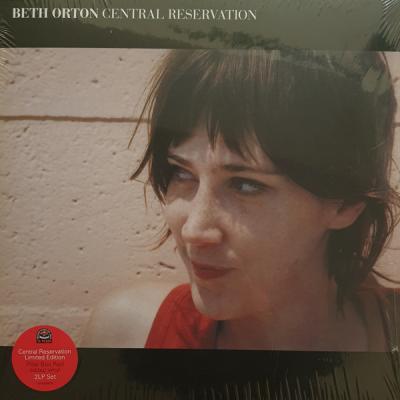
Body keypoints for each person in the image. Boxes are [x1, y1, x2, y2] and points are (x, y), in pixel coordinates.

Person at [83, 49, 400, 351]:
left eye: (246, 185)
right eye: (181, 172)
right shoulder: (128, 336)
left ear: (344, 203)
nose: (194, 230)